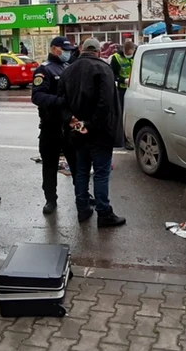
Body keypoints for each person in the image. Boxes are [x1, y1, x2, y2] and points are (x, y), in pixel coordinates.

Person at [58, 38, 126, 228]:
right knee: (101, 174)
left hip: (77, 130)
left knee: (81, 172)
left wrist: (74, 122)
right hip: (100, 133)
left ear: (82, 50)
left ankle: (82, 209)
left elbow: (60, 102)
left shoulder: (68, 70)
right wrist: (90, 125)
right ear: (97, 51)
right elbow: (106, 104)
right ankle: (104, 213)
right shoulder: (103, 69)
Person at [32, 36, 93, 216]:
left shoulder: (68, 67)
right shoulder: (44, 70)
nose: (67, 53)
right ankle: (51, 199)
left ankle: (83, 195)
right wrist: (60, 101)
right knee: (50, 166)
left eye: (68, 50)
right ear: (54, 49)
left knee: (77, 165)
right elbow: (37, 96)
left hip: (69, 127)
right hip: (51, 126)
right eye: (63, 49)